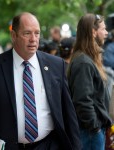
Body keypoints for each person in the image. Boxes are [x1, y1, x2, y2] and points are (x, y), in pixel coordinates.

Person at [0, 12, 82, 150]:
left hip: (48, 145)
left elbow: (68, 112)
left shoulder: (56, 65)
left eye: (37, 33)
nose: (33, 39)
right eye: (27, 33)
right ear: (13, 36)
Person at [67, 13, 112, 150]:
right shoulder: (83, 62)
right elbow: (82, 100)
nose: (106, 33)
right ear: (93, 32)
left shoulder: (87, 59)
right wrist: (95, 128)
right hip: (90, 133)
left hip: (92, 132)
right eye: (103, 29)